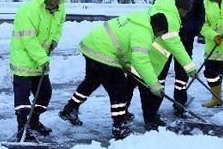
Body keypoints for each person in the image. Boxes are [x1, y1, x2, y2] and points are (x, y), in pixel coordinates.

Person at [58, 10, 169, 139]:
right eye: (160, 34)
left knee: (91, 81)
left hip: (92, 45)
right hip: (103, 52)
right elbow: (141, 60)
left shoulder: (137, 22)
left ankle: (69, 109)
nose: (158, 37)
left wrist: (125, 65)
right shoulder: (143, 33)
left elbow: (121, 45)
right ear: (157, 29)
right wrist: (154, 85)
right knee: (120, 89)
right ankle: (119, 126)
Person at [124, 0, 198, 130]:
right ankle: (150, 120)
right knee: (147, 91)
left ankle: (125, 114)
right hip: (148, 58)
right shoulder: (170, 18)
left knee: (130, 86)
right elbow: (175, 45)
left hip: (141, 54)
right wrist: (190, 68)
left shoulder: (163, 7)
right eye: (185, 11)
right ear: (179, 7)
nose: (185, 14)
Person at [9, 0, 68, 141]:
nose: (54, 1)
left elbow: (59, 26)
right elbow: (29, 39)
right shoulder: (29, 10)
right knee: (22, 98)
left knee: (44, 94)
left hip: (40, 58)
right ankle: (23, 129)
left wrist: (54, 41)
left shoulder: (60, 9)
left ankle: (33, 121)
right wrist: (42, 58)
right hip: (23, 59)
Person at [152, 0, 204, 116]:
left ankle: (180, 102)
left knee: (182, 72)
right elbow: (155, 9)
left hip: (185, 38)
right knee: (160, 71)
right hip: (163, 39)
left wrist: (195, 29)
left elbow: (201, 13)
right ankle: (155, 102)